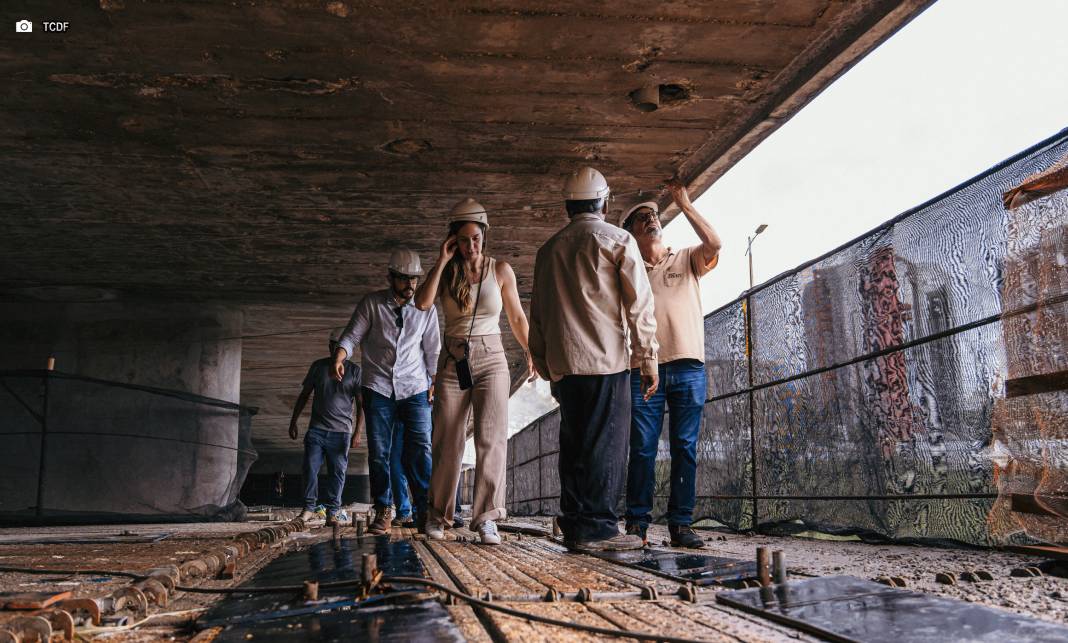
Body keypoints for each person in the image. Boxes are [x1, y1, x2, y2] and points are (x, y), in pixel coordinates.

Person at [529, 167, 659, 552]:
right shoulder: (618, 240)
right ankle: (599, 530)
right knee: (607, 445)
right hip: (605, 361)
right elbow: (639, 305)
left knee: (574, 443)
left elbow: (538, 314)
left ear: (568, 206)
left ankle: (574, 523)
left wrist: (545, 364)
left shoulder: (548, 251)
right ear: (604, 202)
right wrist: (648, 358)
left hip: (565, 365)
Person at [414, 197, 535, 545]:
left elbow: (516, 317)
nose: (471, 246)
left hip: (492, 358)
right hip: (453, 361)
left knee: (490, 438)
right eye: (464, 240)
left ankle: (487, 518)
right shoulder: (447, 271)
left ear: (485, 235)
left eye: (476, 238)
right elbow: (422, 302)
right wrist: (442, 260)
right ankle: (438, 515)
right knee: (447, 439)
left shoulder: (501, 270)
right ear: (453, 239)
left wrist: (531, 351)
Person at [620, 182, 722, 548]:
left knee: (684, 447)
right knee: (642, 448)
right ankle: (637, 525)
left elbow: (715, 243)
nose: (651, 220)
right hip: (642, 369)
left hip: (688, 367)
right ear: (630, 233)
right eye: (642, 218)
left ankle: (681, 525)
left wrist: (686, 205)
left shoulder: (686, 258)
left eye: (654, 216)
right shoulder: (628, 273)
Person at [333, 248, 440, 535]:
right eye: (403, 278)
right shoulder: (372, 304)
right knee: (379, 452)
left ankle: (423, 511)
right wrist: (340, 356)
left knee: (421, 450)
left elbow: (432, 350)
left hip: (415, 388)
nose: (410, 285)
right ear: (390, 278)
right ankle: (383, 510)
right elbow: (352, 335)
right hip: (378, 387)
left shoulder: (427, 309)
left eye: (414, 279)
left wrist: (435, 382)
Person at [289, 329, 363, 526]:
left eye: (339, 347)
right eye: (333, 346)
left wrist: (358, 432)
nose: (335, 350)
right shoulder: (318, 367)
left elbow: (361, 404)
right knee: (309, 468)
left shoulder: (355, 371)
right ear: (329, 346)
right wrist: (293, 421)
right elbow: (304, 395)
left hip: (342, 432)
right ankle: (308, 508)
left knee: (337, 473)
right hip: (317, 430)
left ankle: (333, 511)